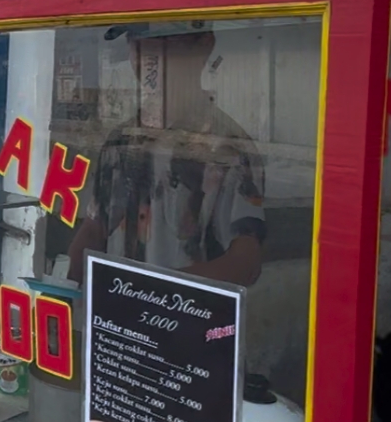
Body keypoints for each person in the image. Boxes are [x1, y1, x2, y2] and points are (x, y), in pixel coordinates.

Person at [68, 20, 265, 288]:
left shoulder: (228, 149)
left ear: (205, 45)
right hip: (115, 320)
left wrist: (157, 297)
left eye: (165, 41)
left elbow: (246, 262)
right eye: (135, 40)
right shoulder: (121, 142)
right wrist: (67, 295)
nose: (147, 55)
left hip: (188, 321)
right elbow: (94, 228)